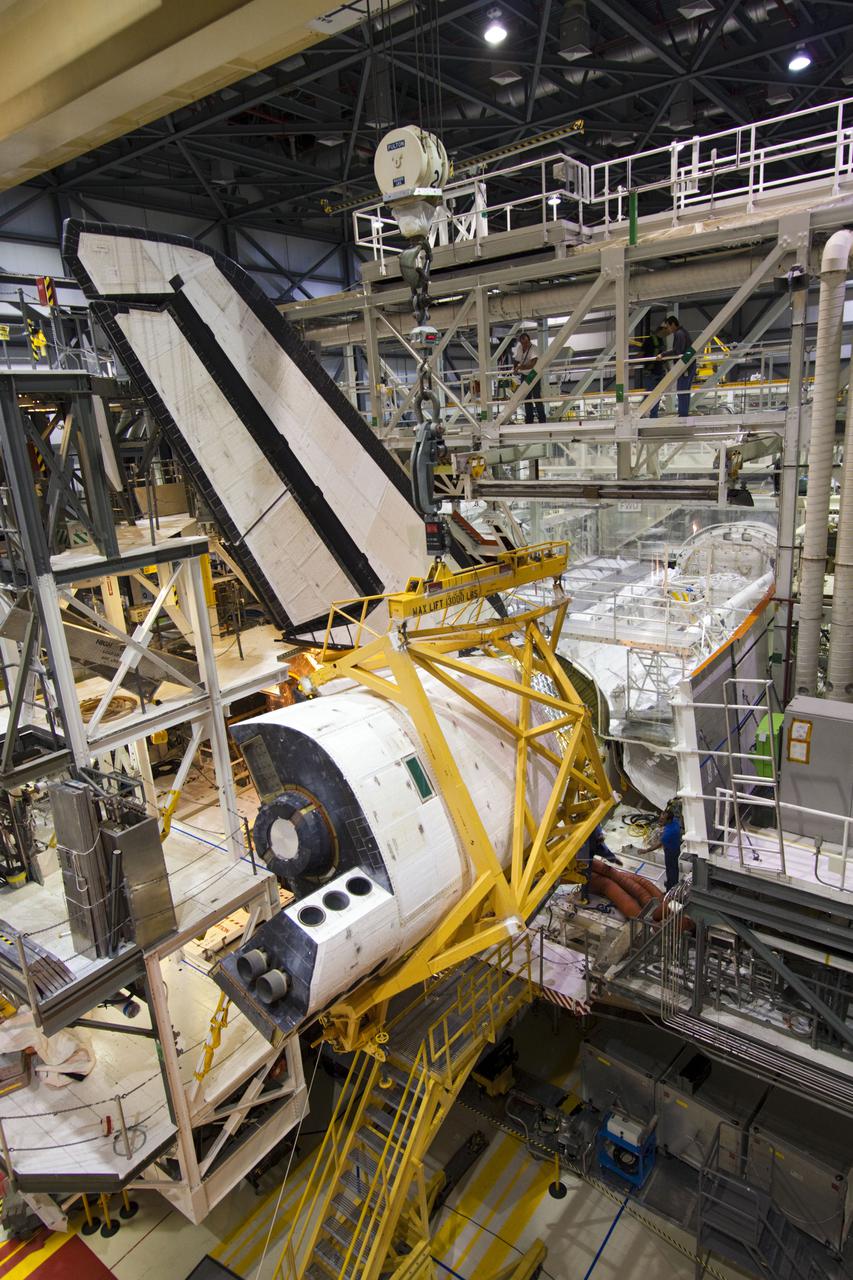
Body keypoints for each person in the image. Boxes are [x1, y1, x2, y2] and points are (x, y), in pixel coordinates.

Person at [511, 331, 546, 425]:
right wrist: (515, 368)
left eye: (526, 342)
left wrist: (519, 368)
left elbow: (533, 363)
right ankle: (529, 419)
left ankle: (542, 420)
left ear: (529, 341)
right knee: (526, 398)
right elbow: (517, 360)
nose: (524, 344)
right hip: (524, 375)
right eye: (522, 343)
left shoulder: (534, 349)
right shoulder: (520, 348)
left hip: (533, 374)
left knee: (536, 397)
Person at [664, 315, 694, 417]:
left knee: (682, 390)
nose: (668, 329)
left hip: (685, 366)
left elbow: (677, 351)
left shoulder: (679, 334)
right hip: (689, 365)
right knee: (684, 391)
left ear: (673, 324)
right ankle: (683, 413)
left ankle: (683, 414)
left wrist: (663, 355)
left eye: (668, 326)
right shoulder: (683, 332)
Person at [636, 323, 667, 418]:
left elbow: (640, 354)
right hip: (652, 373)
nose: (668, 332)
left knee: (655, 395)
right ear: (662, 330)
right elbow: (641, 354)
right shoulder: (651, 341)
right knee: (650, 395)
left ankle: (650, 415)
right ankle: (640, 414)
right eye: (667, 330)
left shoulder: (660, 341)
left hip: (657, 372)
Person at [655, 802, 683, 891]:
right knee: (674, 868)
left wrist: (646, 850)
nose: (660, 821)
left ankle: (670, 888)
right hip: (676, 848)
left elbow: (659, 844)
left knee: (670, 870)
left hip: (670, 852)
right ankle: (672, 883)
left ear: (668, 820)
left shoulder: (668, 832)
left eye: (662, 820)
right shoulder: (674, 821)